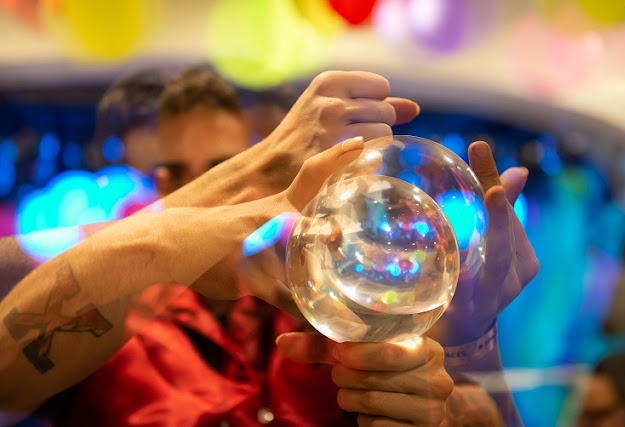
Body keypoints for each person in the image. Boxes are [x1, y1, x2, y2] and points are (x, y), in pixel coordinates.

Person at [0, 69, 536, 426]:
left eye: (229, 165)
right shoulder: (114, 310)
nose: (246, 188)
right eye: (184, 178)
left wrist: (469, 351)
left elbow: (474, 405)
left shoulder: (335, 301)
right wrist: (219, 198)